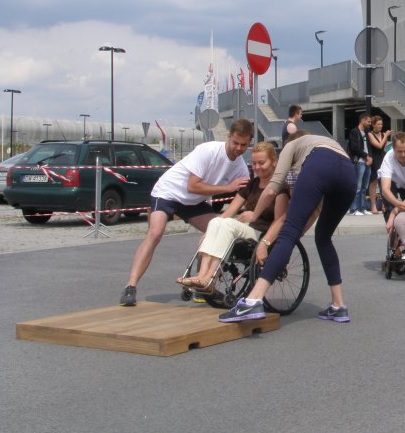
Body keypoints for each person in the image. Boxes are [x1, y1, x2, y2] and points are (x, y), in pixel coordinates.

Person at [218, 133, 356, 324]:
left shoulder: (291, 147)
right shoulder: (317, 146)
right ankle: (339, 305)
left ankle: (253, 300)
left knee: (288, 232)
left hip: (321, 164)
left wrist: (256, 216)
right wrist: (293, 238)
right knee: (323, 238)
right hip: (349, 173)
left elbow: (272, 189)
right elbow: (314, 210)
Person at [119, 119, 253, 306]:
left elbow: (244, 195)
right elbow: (193, 186)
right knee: (155, 233)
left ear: (249, 143)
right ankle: (130, 287)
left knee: (219, 231)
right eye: (235, 143)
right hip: (168, 192)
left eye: (244, 145)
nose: (238, 148)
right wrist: (227, 187)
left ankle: (202, 283)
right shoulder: (208, 151)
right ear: (229, 137)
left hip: (193, 202)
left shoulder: (240, 166)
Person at [176, 142, 288, 292]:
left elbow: (279, 220)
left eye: (261, 163)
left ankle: (210, 277)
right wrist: (209, 232)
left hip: (260, 235)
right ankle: (202, 275)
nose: (257, 167)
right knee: (216, 221)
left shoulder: (280, 187)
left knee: (227, 224)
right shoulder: (251, 185)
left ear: (274, 161)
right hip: (244, 230)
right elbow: (229, 211)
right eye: (254, 163)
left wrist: (265, 242)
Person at [347, 113, 372, 215]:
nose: (370, 123)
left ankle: (362, 208)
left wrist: (370, 158)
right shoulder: (354, 132)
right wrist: (366, 156)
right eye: (368, 121)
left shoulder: (366, 132)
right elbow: (354, 148)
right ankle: (354, 209)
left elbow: (368, 147)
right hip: (359, 162)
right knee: (357, 186)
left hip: (367, 162)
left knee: (364, 187)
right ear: (363, 120)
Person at [367, 116, 390, 215]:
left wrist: (385, 136)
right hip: (375, 158)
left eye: (381, 124)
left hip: (382, 157)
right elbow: (379, 145)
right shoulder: (370, 134)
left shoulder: (383, 134)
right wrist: (386, 136)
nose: (380, 126)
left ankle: (384, 205)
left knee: (384, 181)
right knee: (374, 181)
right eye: (378, 124)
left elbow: (384, 147)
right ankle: (373, 205)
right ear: (373, 125)